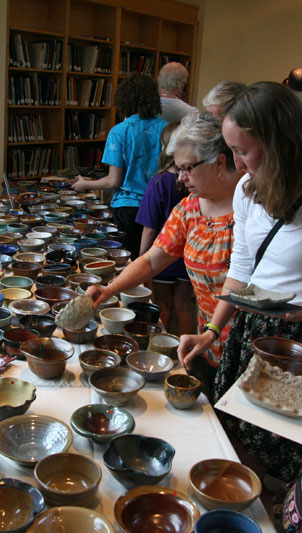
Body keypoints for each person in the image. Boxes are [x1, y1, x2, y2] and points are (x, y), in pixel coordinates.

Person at [178, 82, 302, 482]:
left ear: (280, 142)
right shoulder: (248, 190)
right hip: (250, 325)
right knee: (235, 435)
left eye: (243, 151)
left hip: (297, 339)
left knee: (274, 446)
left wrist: (300, 313)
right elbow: (243, 269)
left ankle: (271, 505)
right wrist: (212, 330)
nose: (237, 163)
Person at [87, 111, 243, 393]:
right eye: (178, 168)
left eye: (188, 168)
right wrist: (110, 289)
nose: (181, 178)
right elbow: (151, 260)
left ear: (218, 163)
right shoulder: (190, 208)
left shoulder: (251, 209)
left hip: (248, 344)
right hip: (207, 341)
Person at [72, 74, 167, 259]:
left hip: (129, 207)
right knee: (152, 262)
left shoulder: (119, 131)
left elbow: (114, 180)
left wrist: (85, 184)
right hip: (158, 205)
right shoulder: (167, 128)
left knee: (129, 262)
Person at [135, 123, 194, 335]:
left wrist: (141, 259)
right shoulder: (193, 183)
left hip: (163, 257)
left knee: (162, 306)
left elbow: (150, 229)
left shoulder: (159, 182)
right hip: (188, 257)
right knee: (184, 306)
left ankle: (164, 352)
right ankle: (188, 357)